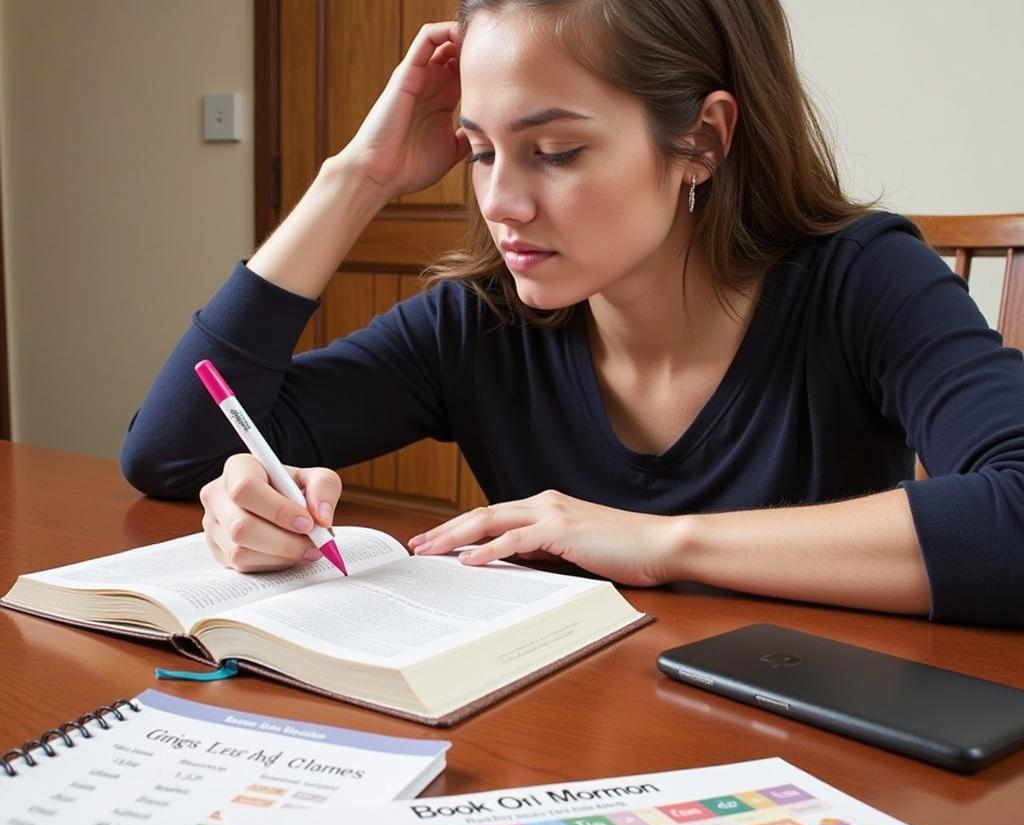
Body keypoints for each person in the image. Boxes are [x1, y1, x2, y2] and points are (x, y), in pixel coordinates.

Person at [120, 0, 1024, 627]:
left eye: (554, 151)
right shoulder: (479, 324)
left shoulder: (858, 280)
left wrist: (658, 544)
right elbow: (175, 453)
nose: (500, 202)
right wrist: (356, 179)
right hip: (566, 748)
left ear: (700, 140)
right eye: (478, 151)